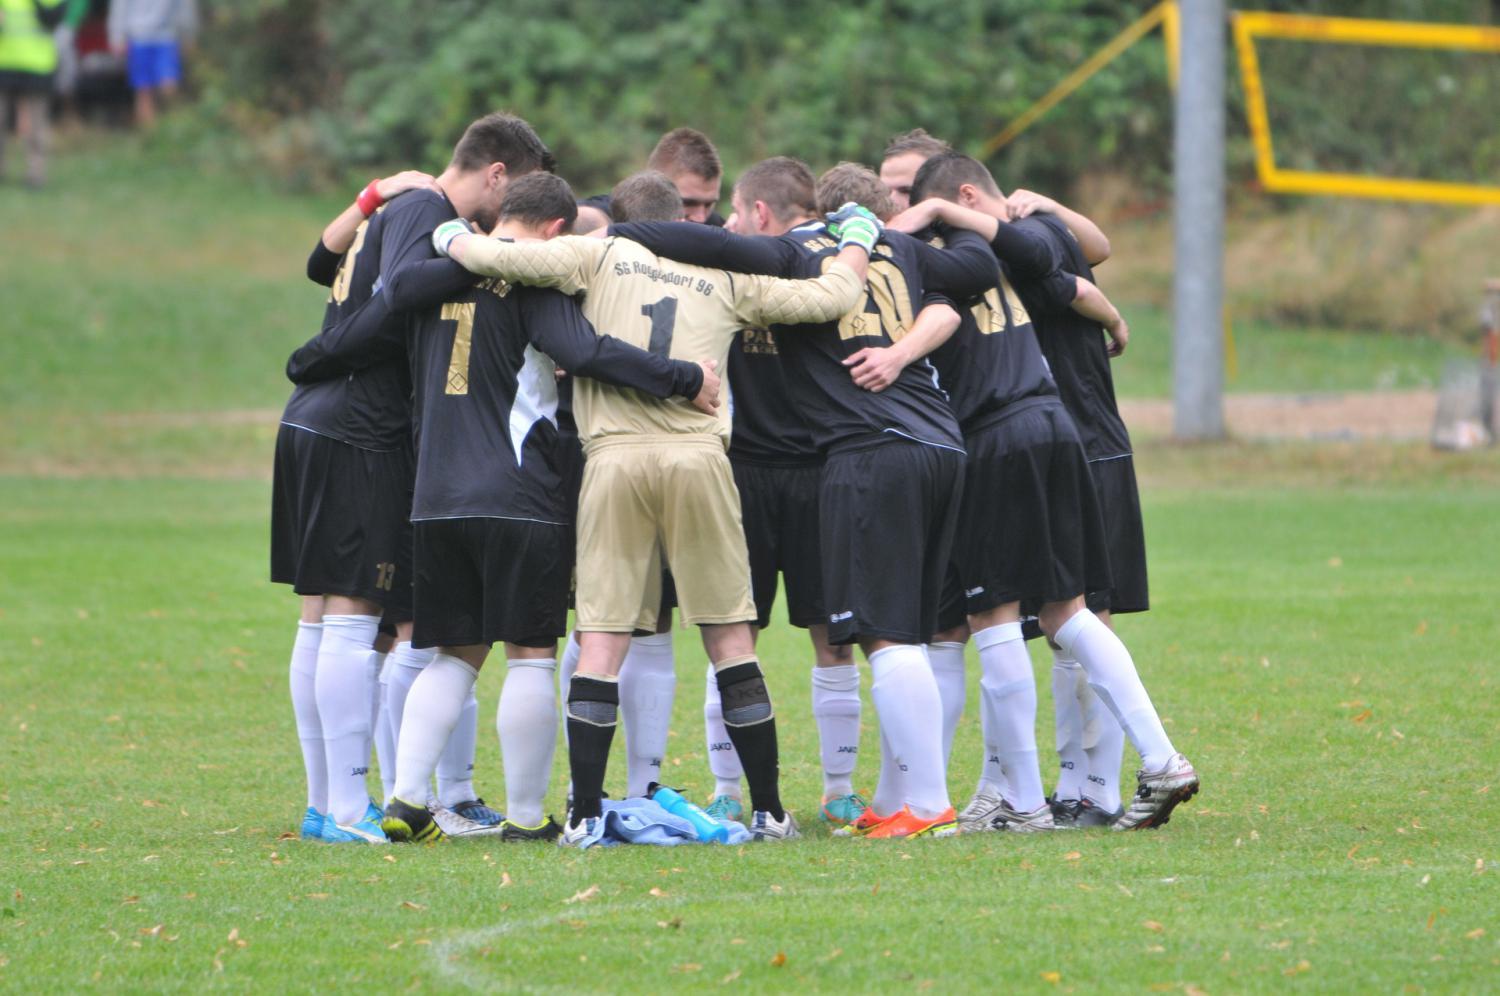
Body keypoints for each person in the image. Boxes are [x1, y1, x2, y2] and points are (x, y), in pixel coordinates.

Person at [430, 182, 876, 845]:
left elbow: (499, 259)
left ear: (626, 219)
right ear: (684, 224)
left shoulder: (596, 253)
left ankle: (583, 813)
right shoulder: (727, 275)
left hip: (613, 459)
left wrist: (445, 234)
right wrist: (860, 238)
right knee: (729, 639)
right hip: (698, 459)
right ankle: (769, 810)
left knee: (604, 640)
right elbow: (833, 298)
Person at [613, 163, 998, 839]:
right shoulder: (895, 247)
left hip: (868, 450)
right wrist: (907, 229)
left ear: (762, 214)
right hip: (942, 444)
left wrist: (607, 236)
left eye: (734, 209)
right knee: (905, 633)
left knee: (883, 637)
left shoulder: (790, 253)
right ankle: (892, 800)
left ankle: (931, 807)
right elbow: (968, 277)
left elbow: (702, 244)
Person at [341, 172, 718, 844]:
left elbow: (394, 305)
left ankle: (404, 799)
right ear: (553, 230)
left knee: (452, 655)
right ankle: (523, 818)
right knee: (531, 656)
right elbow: (583, 352)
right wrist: (684, 377)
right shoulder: (535, 282)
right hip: (517, 494)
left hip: (434, 496)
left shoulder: (433, 274)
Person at [891, 152, 1199, 832]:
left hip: (999, 437)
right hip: (1057, 427)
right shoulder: (1017, 237)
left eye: (907, 197)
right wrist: (1116, 319)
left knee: (992, 617)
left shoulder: (936, 256)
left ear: (952, 198)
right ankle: (1160, 759)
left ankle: (1025, 803)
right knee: (1069, 612)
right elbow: (1083, 272)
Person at [274, 113, 554, 843]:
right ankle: (344, 810)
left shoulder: (404, 205)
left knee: (323, 618)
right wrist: (320, 355)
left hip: (318, 421)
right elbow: (397, 294)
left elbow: (318, 264)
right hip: (355, 423)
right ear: (496, 174)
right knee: (352, 616)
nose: (513, 222)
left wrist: (368, 196)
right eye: (514, 199)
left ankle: (325, 804)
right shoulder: (431, 211)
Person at [573, 126, 725, 232]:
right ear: (653, 183)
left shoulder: (717, 227)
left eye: (709, 205)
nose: (701, 218)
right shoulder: (609, 213)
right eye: (687, 202)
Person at [0, 0, 66, 187]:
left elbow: (54, 18)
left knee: (36, 125)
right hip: (4, 63)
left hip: (38, 65)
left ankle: (35, 173)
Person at [107, 0, 195, 129]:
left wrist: (188, 34)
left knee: (169, 87)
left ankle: (173, 129)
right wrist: (117, 37)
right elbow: (119, 8)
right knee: (143, 90)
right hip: (138, 36)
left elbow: (184, 7)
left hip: (166, 36)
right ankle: (150, 134)